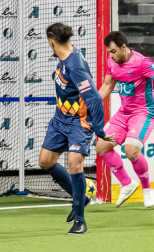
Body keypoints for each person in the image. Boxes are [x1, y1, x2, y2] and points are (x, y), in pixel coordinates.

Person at [38, 23, 114, 235]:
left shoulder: (75, 66)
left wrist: (99, 129)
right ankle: (82, 197)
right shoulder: (65, 56)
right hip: (60, 119)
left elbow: (95, 99)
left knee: (74, 165)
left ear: (51, 41)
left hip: (78, 122)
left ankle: (80, 220)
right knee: (45, 162)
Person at [97, 31, 154, 208]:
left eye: (113, 51)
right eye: (109, 52)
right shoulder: (112, 61)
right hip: (123, 114)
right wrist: (90, 103)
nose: (110, 55)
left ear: (124, 47)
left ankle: (147, 190)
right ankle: (127, 183)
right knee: (101, 147)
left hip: (143, 113)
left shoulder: (142, 62)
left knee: (131, 150)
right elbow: (108, 85)